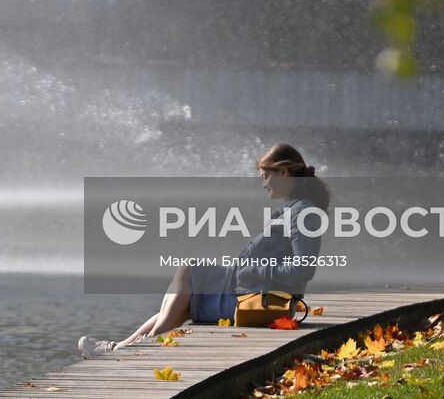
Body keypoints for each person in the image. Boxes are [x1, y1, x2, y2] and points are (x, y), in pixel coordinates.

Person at [77, 143, 330, 358]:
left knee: (190, 271)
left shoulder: (302, 212)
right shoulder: (294, 208)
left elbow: (303, 269)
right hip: (253, 292)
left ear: (284, 172)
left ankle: (140, 348)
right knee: (183, 298)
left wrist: (249, 270)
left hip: (264, 301)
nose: (263, 184)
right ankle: (123, 348)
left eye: (265, 176)